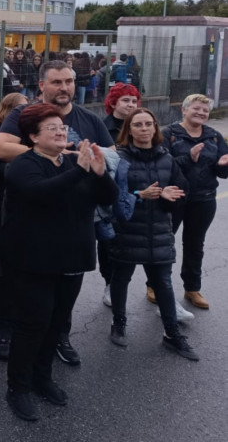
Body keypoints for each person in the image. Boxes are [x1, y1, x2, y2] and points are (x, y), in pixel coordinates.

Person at [0, 59, 115, 366]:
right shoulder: (25, 115)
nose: (64, 88)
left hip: (71, 224)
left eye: (69, 81)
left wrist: (96, 164)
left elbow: (110, 156)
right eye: (57, 82)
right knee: (15, 283)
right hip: (27, 221)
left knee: (62, 295)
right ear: (42, 86)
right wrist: (57, 155)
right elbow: (2, 149)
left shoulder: (89, 118)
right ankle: (5, 332)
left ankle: (60, 337)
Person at [2, 104, 117, 421]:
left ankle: (43, 378)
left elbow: (108, 197)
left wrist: (99, 172)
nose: (60, 130)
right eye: (51, 127)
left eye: (62, 126)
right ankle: (18, 388)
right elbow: (40, 193)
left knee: (56, 323)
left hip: (72, 257)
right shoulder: (24, 165)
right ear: (33, 137)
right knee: (32, 325)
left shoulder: (73, 161)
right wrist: (79, 171)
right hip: (33, 261)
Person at [107, 108, 197, 359]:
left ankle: (172, 334)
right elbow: (109, 195)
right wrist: (139, 195)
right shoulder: (119, 158)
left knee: (164, 284)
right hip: (127, 230)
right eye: (138, 125)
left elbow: (182, 191)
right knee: (121, 278)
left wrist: (170, 196)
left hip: (159, 231)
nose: (144, 129)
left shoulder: (167, 158)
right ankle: (119, 323)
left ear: (155, 127)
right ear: (129, 130)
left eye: (149, 124)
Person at [160, 94, 228, 310]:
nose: (201, 113)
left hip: (204, 199)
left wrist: (223, 165)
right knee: (165, 244)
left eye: (205, 111)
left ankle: (192, 288)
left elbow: (221, 172)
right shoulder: (169, 134)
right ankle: (155, 284)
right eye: (196, 109)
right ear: (184, 110)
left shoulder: (214, 136)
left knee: (195, 245)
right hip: (174, 196)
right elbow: (161, 166)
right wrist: (188, 157)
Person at [99, 82, 141, 306]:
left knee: (134, 242)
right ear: (113, 102)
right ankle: (109, 283)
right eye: (126, 100)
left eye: (134, 101)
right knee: (108, 242)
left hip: (138, 190)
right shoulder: (103, 128)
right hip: (111, 193)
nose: (131, 105)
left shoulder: (142, 125)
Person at [0, 93, 28, 303]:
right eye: (21, 109)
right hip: (1, 194)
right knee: (0, 237)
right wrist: (21, 169)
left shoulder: (28, 132)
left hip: (25, 195)